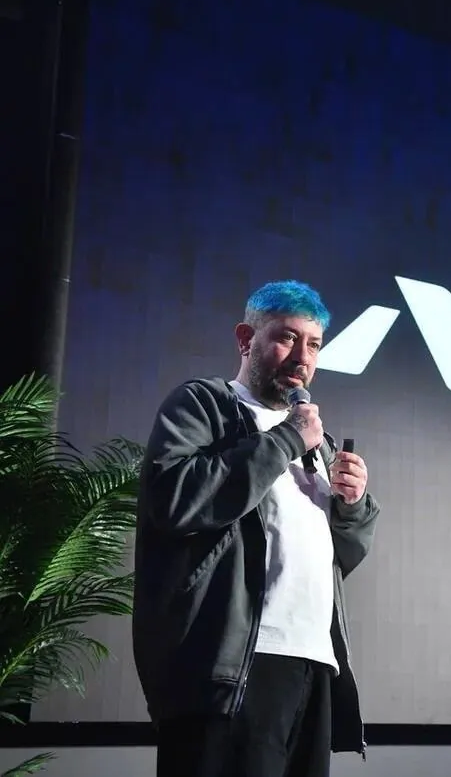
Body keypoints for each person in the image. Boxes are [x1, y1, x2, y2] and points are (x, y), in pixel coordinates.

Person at [132, 280, 380, 777]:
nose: (302, 357)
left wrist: (350, 507)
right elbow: (176, 501)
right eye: (287, 338)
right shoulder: (205, 405)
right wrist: (286, 438)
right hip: (234, 668)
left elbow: (338, 559)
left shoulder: (318, 442)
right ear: (247, 337)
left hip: (312, 663)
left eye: (313, 345)